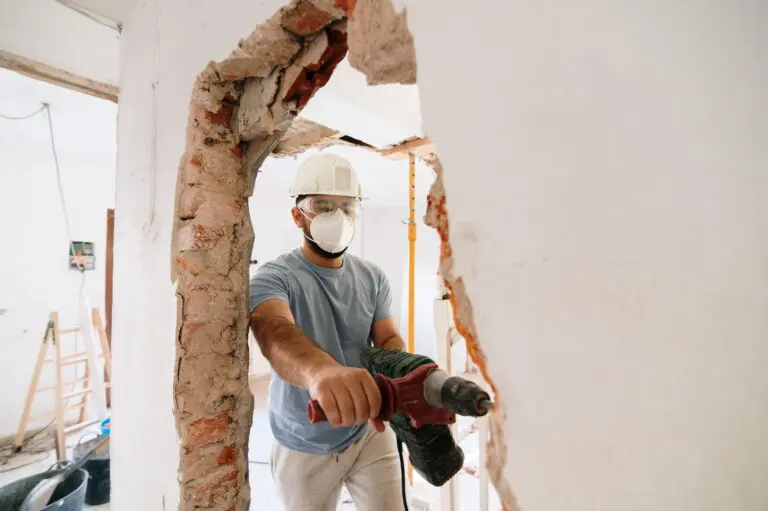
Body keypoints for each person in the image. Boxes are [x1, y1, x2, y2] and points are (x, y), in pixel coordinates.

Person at [249, 152, 407, 510]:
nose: (337, 217)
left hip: (369, 429)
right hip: (303, 438)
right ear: (298, 215)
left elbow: (388, 340)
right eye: (323, 206)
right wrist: (320, 372)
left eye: (347, 207)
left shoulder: (372, 277)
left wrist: (406, 374)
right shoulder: (276, 277)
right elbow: (274, 331)